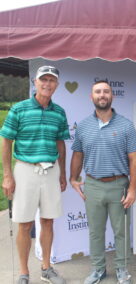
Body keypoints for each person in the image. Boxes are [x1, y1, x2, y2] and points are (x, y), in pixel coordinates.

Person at [0, 66, 69, 284]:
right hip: (25, 170)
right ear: (35, 82)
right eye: (43, 80)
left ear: (57, 85)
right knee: (24, 224)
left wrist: (63, 173)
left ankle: (46, 268)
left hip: (51, 170)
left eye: (52, 81)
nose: (47, 84)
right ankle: (23, 272)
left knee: (48, 221)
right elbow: (6, 141)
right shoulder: (19, 109)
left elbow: (61, 143)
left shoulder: (59, 112)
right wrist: (7, 175)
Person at [69, 80, 136, 284]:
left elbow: (134, 160)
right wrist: (73, 178)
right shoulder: (83, 125)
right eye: (98, 92)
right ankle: (98, 269)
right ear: (92, 97)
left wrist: (133, 189)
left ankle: (121, 269)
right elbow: (77, 155)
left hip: (119, 185)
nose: (102, 95)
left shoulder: (126, 124)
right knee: (95, 231)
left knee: (121, 231)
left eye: (106, 91)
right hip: (92, 185)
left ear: (112, 96)